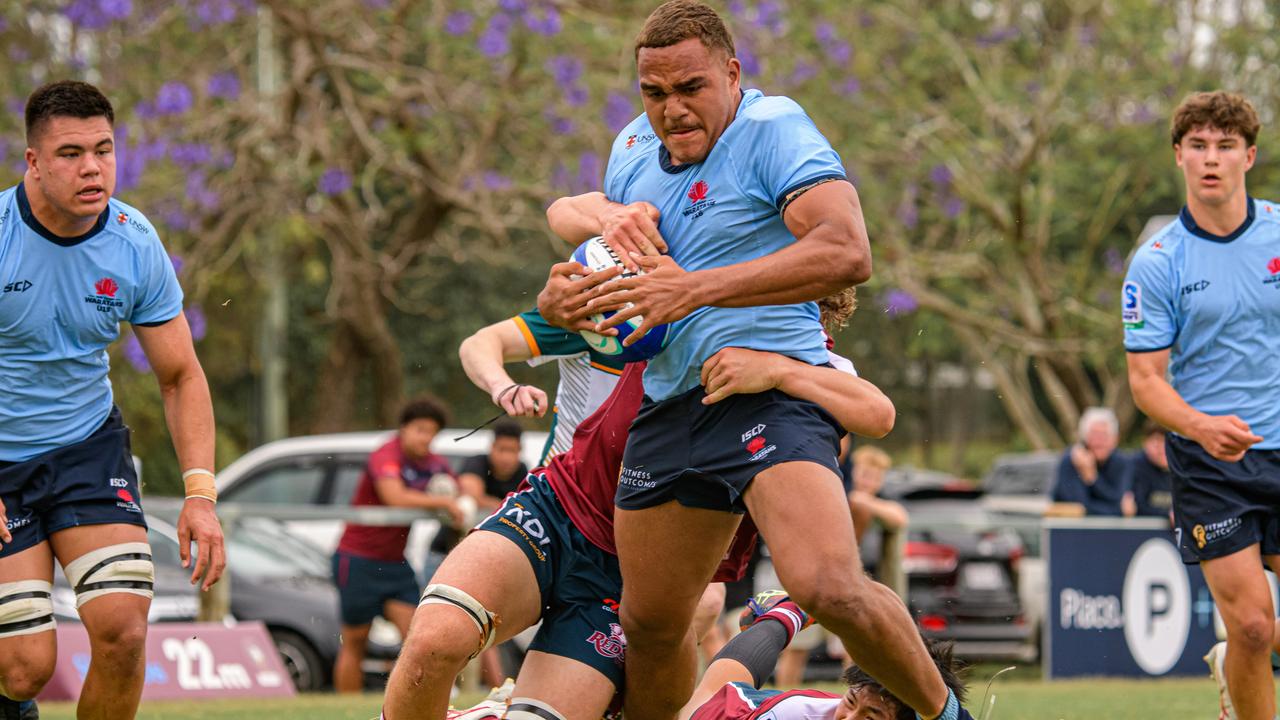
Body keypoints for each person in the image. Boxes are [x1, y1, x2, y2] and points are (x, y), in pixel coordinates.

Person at [538, 4, 963, 719]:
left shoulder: (773, 131)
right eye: (654, 92)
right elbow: (617, 279)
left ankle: (950, 716)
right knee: (648, 625)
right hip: (672, 404)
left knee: (826, 583)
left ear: (732, 74)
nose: (672, 109)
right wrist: (567, 302)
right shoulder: (633, 150)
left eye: (691, 87)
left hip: (771, 396)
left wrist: (693, 292)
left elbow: (847, 252)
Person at [381, 304, 896, 720]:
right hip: (559, 507)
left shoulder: (806, 366)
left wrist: (782, 373)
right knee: (435, 638)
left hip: (635, 574)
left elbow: (875, 414)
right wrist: (568, 284)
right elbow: (573, 217)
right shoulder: (670, 293)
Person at [0, 80, 225, 720]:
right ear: (33, 162)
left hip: (86, 450)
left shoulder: (134, 241)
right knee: (24, 670)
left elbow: (181, 376)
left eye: (103, 148)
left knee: (124, 633)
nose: (92, 167)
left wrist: (201, 496)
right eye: (70, 153)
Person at [1123, 90, 1280, 720]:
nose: (1210, 159)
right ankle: (1240, 674)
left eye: (1224, 146)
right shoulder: (1157, 264)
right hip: (1210, 462)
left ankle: (1234, 671)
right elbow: (1145, 380)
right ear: (1179, 157)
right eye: (1197, 146)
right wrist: (1200, 426)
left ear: (1249, 155)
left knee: (1264, 631)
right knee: (1250, 627)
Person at [331, 397, 464, 694]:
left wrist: (460, 498)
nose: (425, 438)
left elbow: (460, 491)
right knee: (355, 642)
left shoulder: (434, 464)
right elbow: (395, 496)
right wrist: (443, 501)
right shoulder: (385, 454)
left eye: (432, 432)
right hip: (357, 559)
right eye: (419, 429)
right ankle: (347, 709)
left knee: (417, 638)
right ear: (403, 429)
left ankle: (409, 704)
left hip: (394, 563)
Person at [681, 592, 967, 720]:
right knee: (708, 696)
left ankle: (791, 610)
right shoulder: (792, 714)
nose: (847, 718)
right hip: (742, 712)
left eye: (870, 719)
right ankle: (789, 611)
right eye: (851, 702)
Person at [459, 309, 625, 465]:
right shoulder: (594, 313)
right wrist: (503, 386)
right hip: (566, 485)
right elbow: (477, 344)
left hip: (639, 487)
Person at [1049, 407, 1136, 517]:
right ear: (1084, 438)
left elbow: (1120, 500)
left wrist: (1093, 479)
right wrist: (1118, 510)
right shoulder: (1071, 460)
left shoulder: (1123, 462)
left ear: (1114, 439)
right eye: (1094, 435)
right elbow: (1079, 508)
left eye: (1104, 435)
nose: (1099, 441)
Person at [1128, 422, 1173, 519]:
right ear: (1145, 443)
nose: (1162, 449)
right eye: (1157, 443)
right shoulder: (1134, 466)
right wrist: (1168, 515)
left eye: (1167, 443)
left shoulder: (1180, 468)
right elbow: (1136, 507)